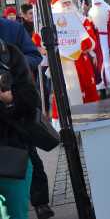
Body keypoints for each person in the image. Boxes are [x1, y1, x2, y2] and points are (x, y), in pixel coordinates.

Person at [0, 19, 53, 219]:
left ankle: (40, 202)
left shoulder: (12, 31)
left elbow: (34, 55)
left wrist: (11, 72)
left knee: (30, 158)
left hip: (13, 135)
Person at [0, 38, 40, 219]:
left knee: (15, 214)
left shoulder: (8, 54)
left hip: (10, 154)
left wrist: (10, 98)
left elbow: (32, 99)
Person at [49, 0, 100, 128]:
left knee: (87, 91)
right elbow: (44, 46)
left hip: (81, 62)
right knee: (62, 93)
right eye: (63, 2)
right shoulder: (50, 23)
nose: (67, 5)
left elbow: (91, 38)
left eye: (68, 2)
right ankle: (63, 127)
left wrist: (89, 43)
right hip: (62, 63)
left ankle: (90, 122)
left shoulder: (82, 19)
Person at [88, 0, 110, 97]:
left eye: (99, 3)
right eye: (95, 3)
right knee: (99, 63)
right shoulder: (90, 15)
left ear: (103, 3)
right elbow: (89, 30)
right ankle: (102, 88)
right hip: (98, 41)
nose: (97, 5)